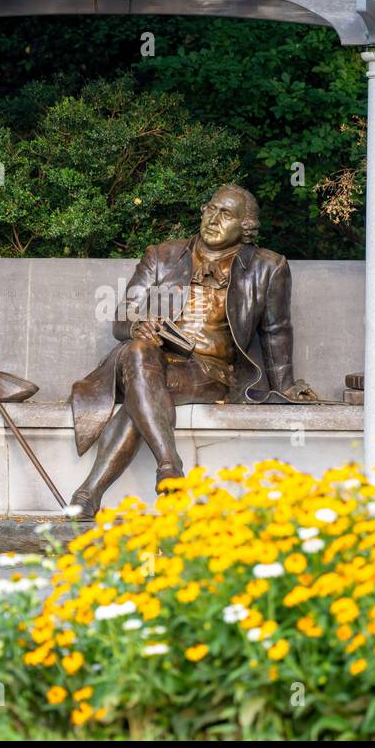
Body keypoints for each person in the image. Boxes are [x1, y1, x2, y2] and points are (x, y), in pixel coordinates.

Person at [68, 183, 315, 518]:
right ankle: (169, 468)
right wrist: (135, 326)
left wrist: (284, 385)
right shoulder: (162, 255)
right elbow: (122, 317)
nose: (212, 219)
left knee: (139, 398)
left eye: (225, 214)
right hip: (152, 359)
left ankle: (88, 495)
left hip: (209, 373)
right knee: (139, 353)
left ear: (245, 229)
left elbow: (275, 331)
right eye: (210, 209)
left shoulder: (268, 268)